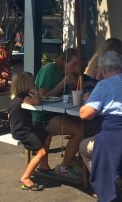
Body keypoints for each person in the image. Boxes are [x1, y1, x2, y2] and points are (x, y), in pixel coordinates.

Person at [79, 51, 122, 202]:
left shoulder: (103, 85)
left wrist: (86, 100)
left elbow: (85, 114)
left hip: (113, 138)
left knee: (84, 147)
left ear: (102, 70)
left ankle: (107, 183)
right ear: (120, 66)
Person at [33, 48, 84, 183]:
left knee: (84, 125)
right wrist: (63, 84)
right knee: (78, 131)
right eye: (73, 64)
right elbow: (43, 95)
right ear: (64, 61)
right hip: (42, 114)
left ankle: (74, 160)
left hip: (57, 112)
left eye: (78, 65)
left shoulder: (66, 74)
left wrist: (73, 86)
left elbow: (65, 97)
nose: (76, 68)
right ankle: (64, 168)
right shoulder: (49, 70)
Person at [9, 72, 51, 191]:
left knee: (47, 131)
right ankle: (26, 177)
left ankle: (42, 164)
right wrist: (36, 92)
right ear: (26, 84)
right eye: (31, 82)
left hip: (23, 127)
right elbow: (37, 102)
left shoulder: (17, 97)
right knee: (41, 152)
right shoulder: (24, 96)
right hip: (22, 130)